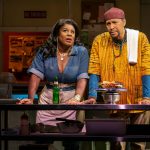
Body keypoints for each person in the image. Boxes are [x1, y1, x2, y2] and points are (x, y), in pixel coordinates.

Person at [18, 18, 90, 150]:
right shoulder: (44, 50)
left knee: (72, 143)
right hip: (48, 98)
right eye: (65, 31)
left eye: (72, 32)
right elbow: (36, 75)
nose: (69, 34)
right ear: (57, 34)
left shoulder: (81, 52)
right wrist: (30, 98)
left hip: (72, 99)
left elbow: (82, 77)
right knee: (42, 140)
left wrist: (77, 97)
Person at [87, 7, 150, 150]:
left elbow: (147, 68)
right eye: (108, 23)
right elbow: (94, 70)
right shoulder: (99, 40)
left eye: (114, 22)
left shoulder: (140, 38)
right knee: (116, 144)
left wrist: (147, 97)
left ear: (124, 22)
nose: (111, 27)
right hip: (114, 100)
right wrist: (92, 95)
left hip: (138, 98)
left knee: (138, 143)